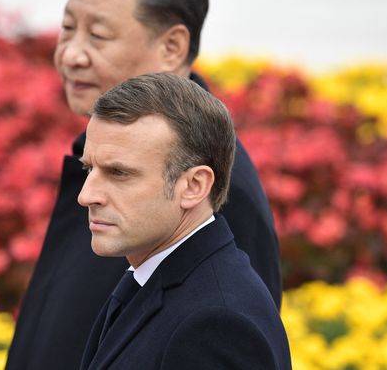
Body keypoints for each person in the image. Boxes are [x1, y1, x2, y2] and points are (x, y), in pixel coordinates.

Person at [6, 0, 282, 369]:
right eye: (67, 28)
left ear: (172, 46)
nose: (71, 54)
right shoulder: (98, 151)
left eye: (98, 36)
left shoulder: (217, 194)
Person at [77, 73, 290, 369]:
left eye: (118, 173)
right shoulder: (161, 278)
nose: (86, 196)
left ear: (193, 186)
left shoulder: (217, 325)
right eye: (89, 169)